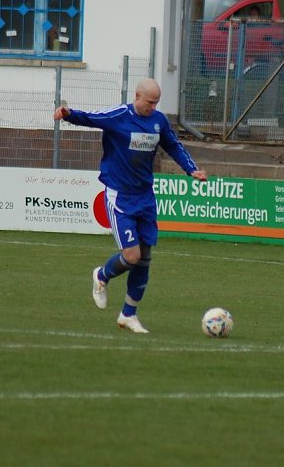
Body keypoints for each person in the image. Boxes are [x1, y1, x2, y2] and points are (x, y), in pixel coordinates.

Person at [53, 78, 207, 333]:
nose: (153, 107)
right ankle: (102, 275)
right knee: (131, 256)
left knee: (145, 258)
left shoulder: (159, 121)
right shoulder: (119, 116)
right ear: (137, 96)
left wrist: (191, 169)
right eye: (149, 102)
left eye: (156, 103)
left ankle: (129, 314)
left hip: (145, 197)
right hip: (120, 196)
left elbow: (173, 146)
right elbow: (91, 118)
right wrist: (68, 114)